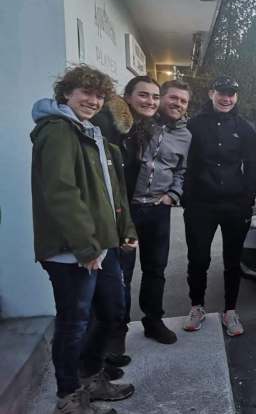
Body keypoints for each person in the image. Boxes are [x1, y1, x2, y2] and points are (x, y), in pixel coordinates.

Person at [31, 65, 136, 414]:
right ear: (66, 94)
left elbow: (110, 191)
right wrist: (86, 246)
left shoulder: (89, 132)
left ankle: (91, 377)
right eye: (86, 93)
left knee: (110, 312)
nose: (93, 101)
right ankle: (69, 396)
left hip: (101, 245)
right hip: (72, 251)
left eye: (99, 95)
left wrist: (123, 231)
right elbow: (61, 192)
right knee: (74, 323)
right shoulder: (58, 131)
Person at [182, 76, 256, 336]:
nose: (226, 98)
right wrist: (187, 197)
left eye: (231, 93)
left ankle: (231, 311)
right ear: (211, 93)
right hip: (200, 205)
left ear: (236, 97)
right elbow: (183, 161)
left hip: (234, 205)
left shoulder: (245, 127)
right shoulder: (193, 125)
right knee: (198, 258)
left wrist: (247, 199)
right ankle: (197, 307)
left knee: (233, 260)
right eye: (222, 92)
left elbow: (254, 166)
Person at [92, 75, 161, 363]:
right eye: (143, 95)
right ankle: (110, 343)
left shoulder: (145, 127)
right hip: (115, 216)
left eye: (155, 97)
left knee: (141, 272)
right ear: (128, 96)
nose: (150, 101)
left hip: (137, 210)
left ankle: (118, 340)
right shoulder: (109, 124)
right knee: (119, 278)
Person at [127, 80, 191, 344]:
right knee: (122, 272)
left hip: (158, 210)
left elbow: (182, 171)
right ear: (162, 98)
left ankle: (153, 321)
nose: (178, 104)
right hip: (128, 209)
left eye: (183, 101)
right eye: (173, 98)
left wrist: (172, 195)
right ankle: (116, 330)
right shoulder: (139, 124)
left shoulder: (186, 136)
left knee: (155, 269)